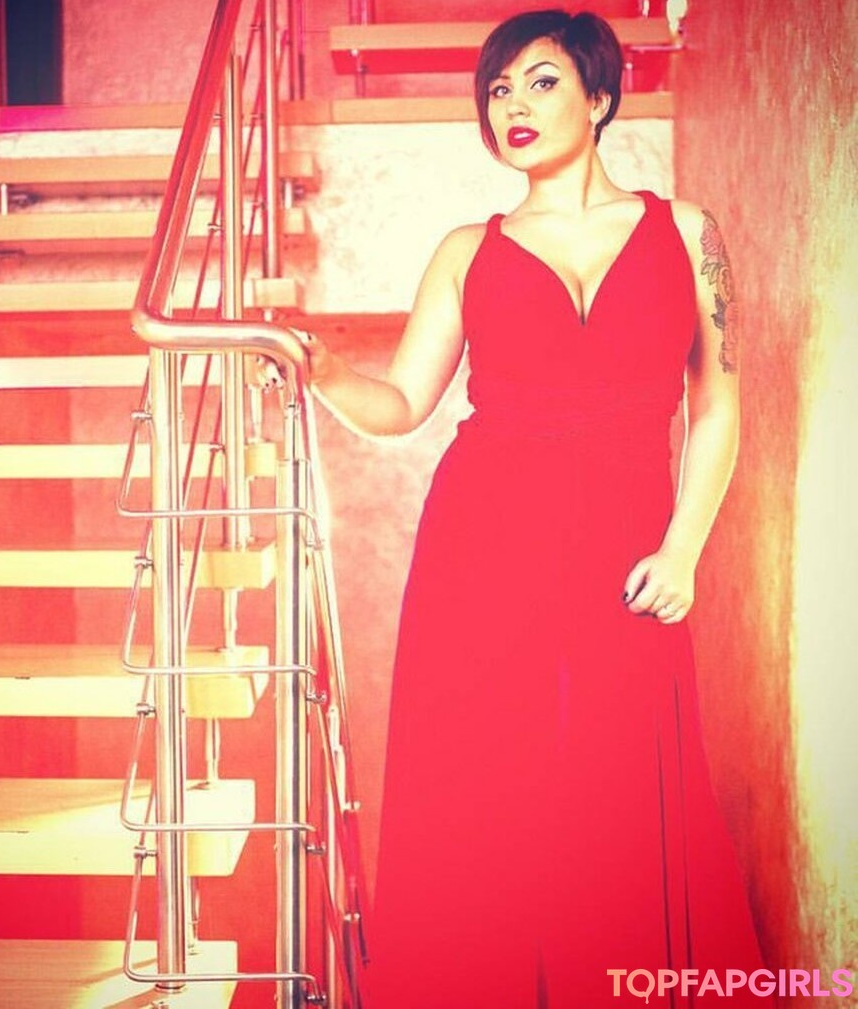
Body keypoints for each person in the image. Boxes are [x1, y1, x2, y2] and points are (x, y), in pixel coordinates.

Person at [299, 9, 772, 1007]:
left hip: (628, 553)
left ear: (599, 96)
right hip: (482, 544)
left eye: (540, 81)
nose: (512, 104)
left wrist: (683, 551)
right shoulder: (466, 250)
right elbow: (402, 404)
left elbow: (718, 406)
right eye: (498, 90)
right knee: (492, 785)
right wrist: (326, 370)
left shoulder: (689, 232)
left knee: (614, 788)